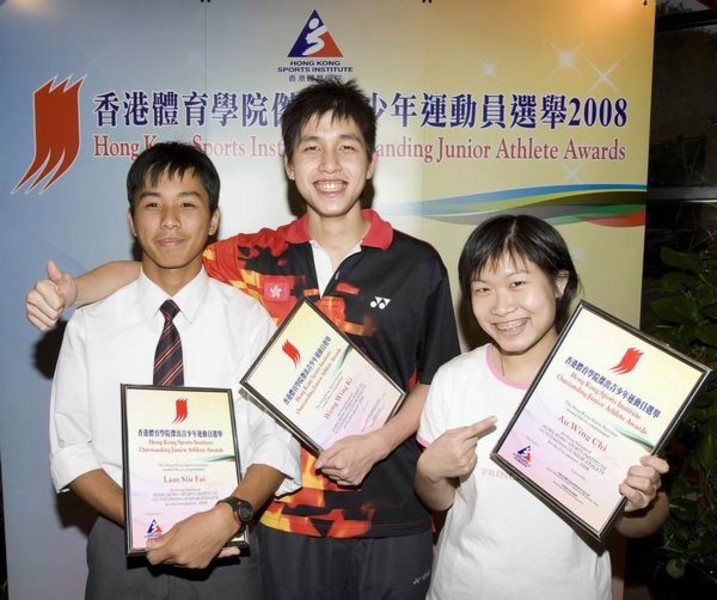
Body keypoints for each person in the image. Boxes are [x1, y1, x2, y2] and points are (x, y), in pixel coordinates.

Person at [27, 78, 461, 599]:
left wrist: (378, 444)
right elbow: (162, 262)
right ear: (288, 165)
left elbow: (437, 379)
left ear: (370, 162)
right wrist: (74, 290)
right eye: (311, 148)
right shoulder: (256, 257)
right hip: (283, 522)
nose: (329, 165)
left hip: (391, 514)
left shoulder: (418, 263)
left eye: (346, 147)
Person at [48, 142, 300, 599]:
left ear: (214, 219)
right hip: (118, 540)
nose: (169, 220)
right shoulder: (90, 323)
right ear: (131, 221)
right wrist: (146, 519)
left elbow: (277, 438)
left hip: (227, 541)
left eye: (187, 204)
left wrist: (224, 518)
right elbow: (71, 449)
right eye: (152, 205)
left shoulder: (248, 320)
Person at [414, 214, 670, 600]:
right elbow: (441, 501)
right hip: (462, 588)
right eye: (482, 289)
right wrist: (428, 471)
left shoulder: (608, 387)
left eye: (517, 283)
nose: (501, 306)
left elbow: (640, 525)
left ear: (559, 283)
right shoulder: (454, 379)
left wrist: (640, 502)